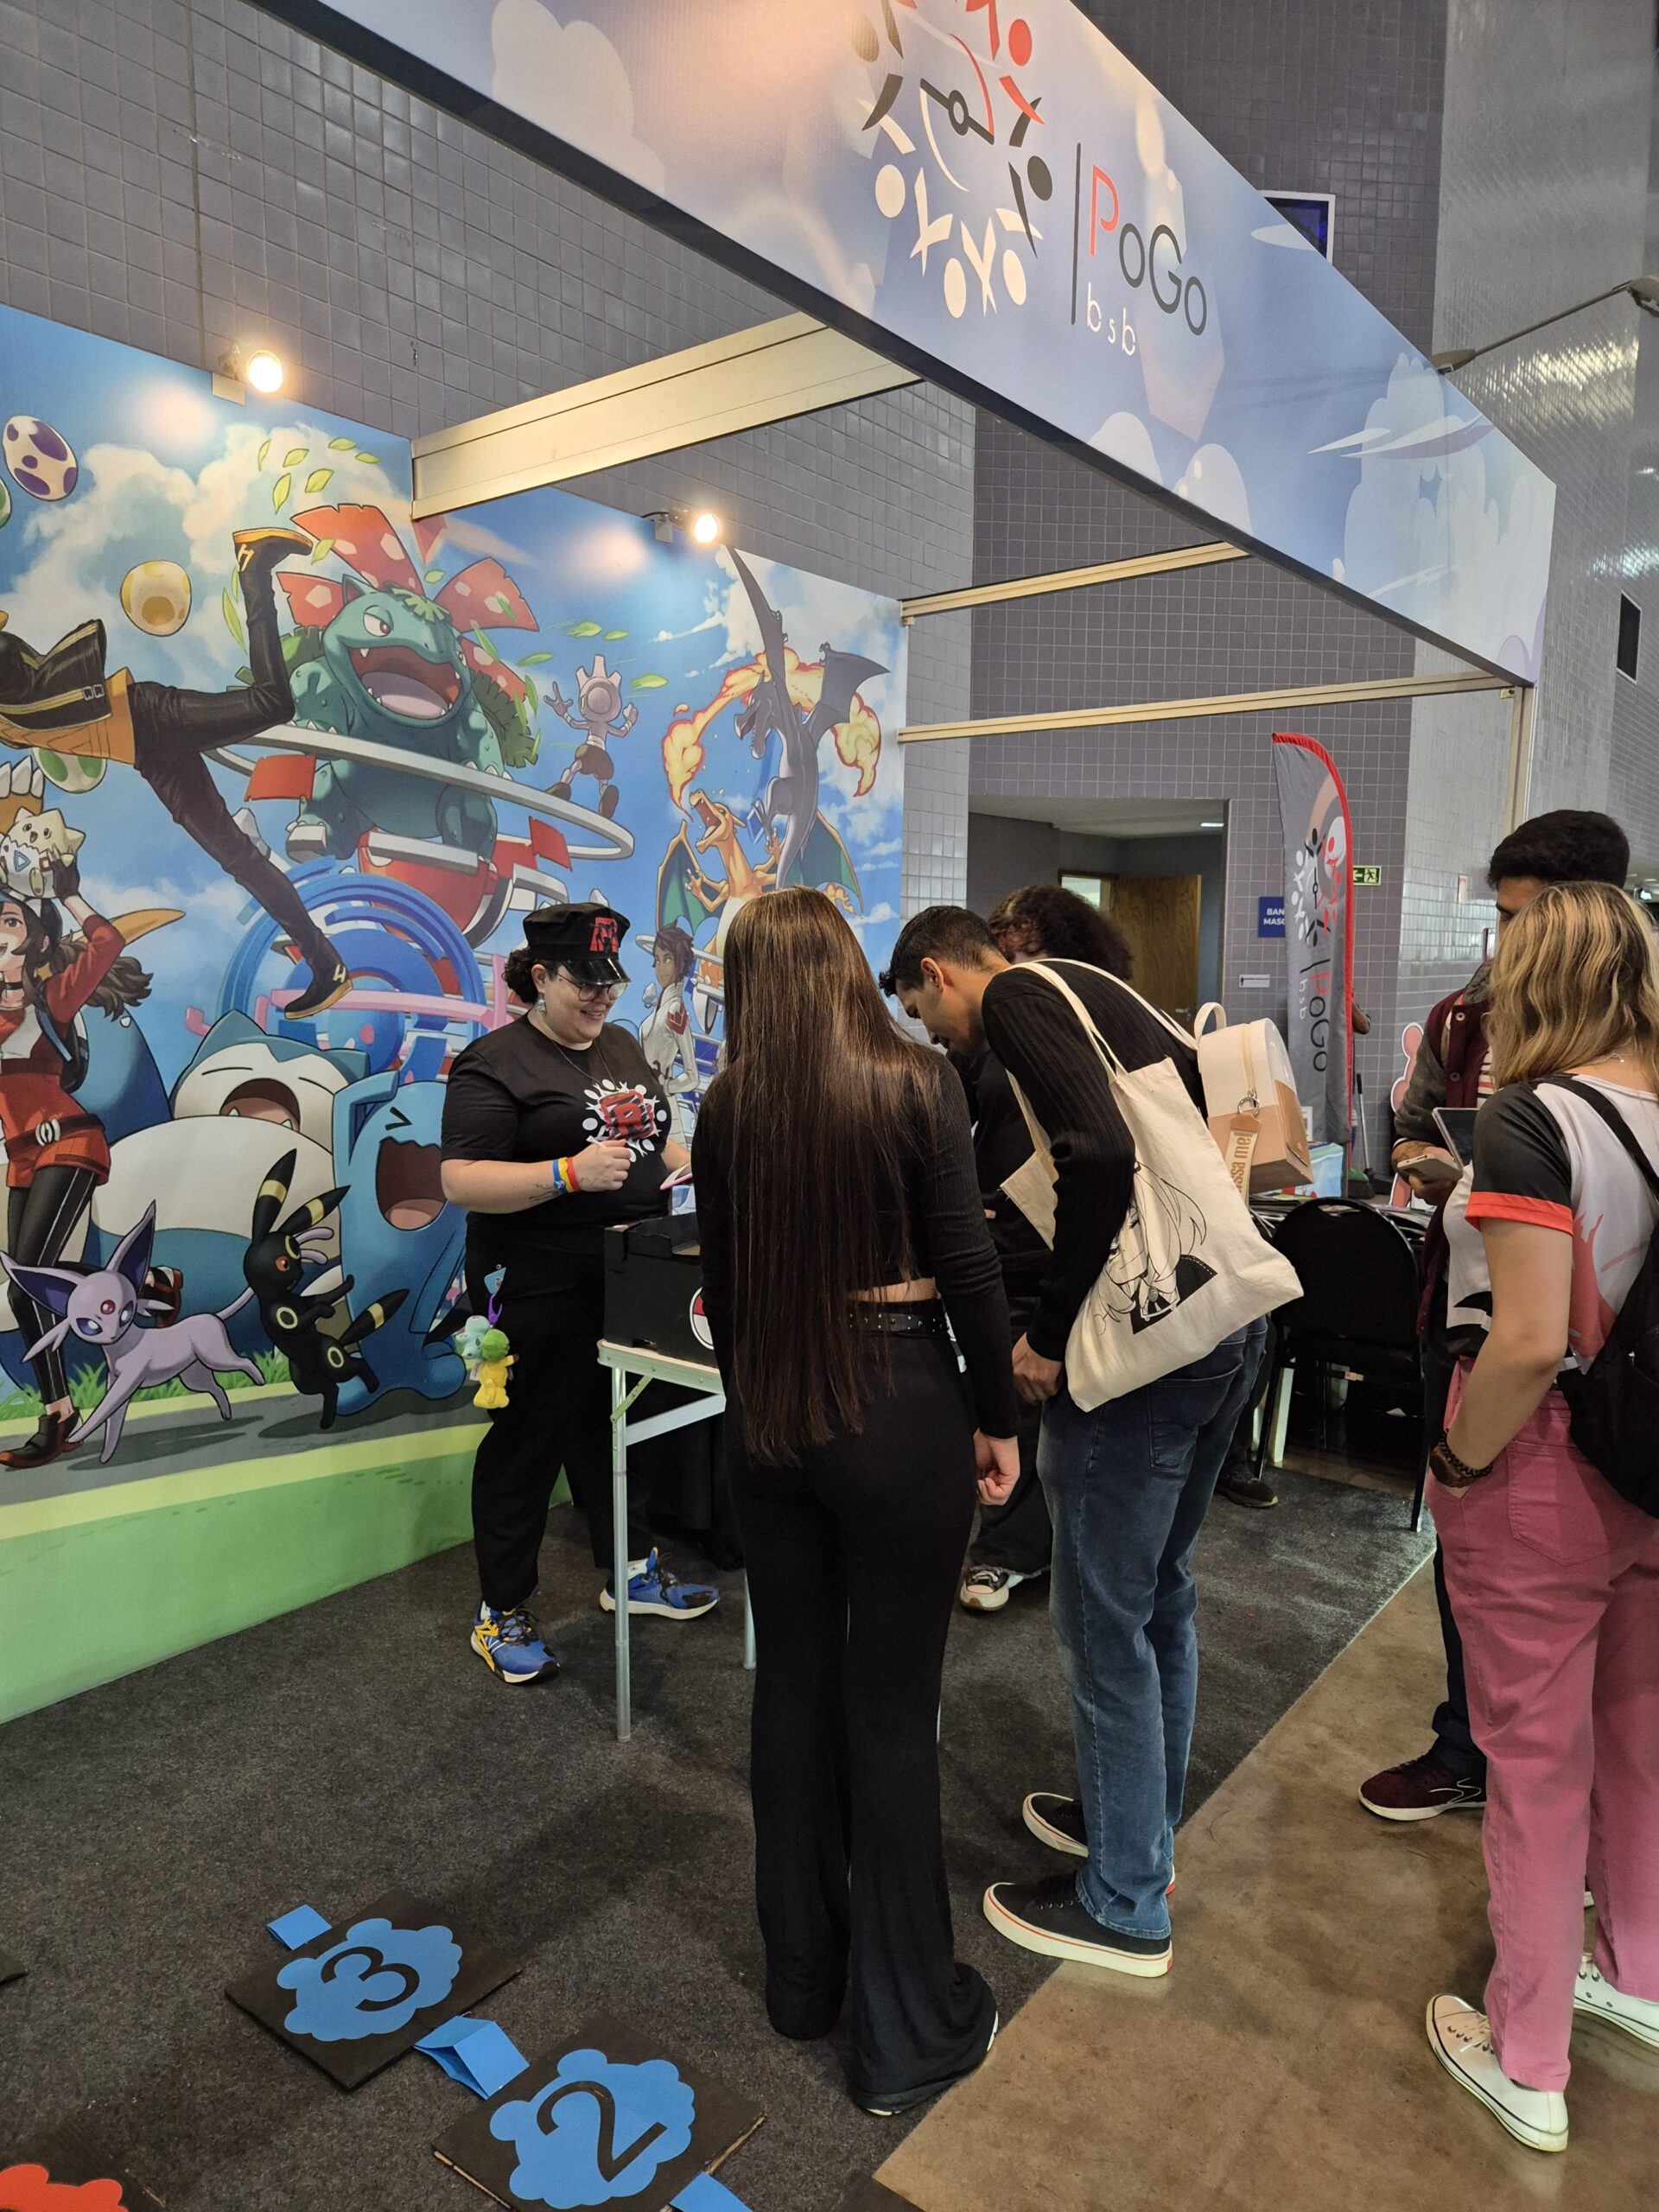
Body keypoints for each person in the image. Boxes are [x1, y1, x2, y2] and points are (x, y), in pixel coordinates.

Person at [887, 906, 1266, 1979]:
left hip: (1145, 1356)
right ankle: (1137, 1823)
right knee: (1159, 1594)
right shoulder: (1105, 993)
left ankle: (1126, 1902)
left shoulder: (1017, 997)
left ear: (938, 974)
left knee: (1103, 1619)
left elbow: (1097, 1156)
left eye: (922, 1014)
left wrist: (1047, 1339)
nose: (934, 1037)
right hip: (1223, 1318)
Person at [692, 888, 1020, 2116]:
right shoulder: (916, 1081)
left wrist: (756, 1415)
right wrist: (998, 1415)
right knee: (891, 1715)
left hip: (772, 1416)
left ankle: (801, 1982)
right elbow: (968, 1263)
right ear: (842, 967)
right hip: (896, 1405)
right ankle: (903, 2035)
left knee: (791, 1689)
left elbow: (725, 1290)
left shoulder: (728, 1107)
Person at [1424, 880, 1659, 2154]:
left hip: (1545, 1463)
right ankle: (1638, 1969)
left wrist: (1457, 1467)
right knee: (1636, 1735)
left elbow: (1523, 1342)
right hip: (1651, 1471)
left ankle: (1527, 2054)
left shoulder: (1532, 1119)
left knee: (1534, 1763)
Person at [1359, 810, 1630, 1820]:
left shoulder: (1634, 1043)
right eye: (1504, 918)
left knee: (1613, 1613)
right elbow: (1407, 1132)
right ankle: (1471, 1746)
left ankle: (1574, 1798)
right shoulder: (1461, 1019)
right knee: (1478, 1572)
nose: (1511, 944)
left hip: (1610, 1353)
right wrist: (1441, 1168)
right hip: (1471, 1323)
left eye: (1529, 919)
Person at [439, 901, 717, 1685]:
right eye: (584, 983)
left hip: (629, 1273)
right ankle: (500, 1611)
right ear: (539, 976)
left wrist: (698, 1162)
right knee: (529, 1440)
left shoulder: (621, 1043)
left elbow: (653, 1138)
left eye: (610, 981)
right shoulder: (495, 1062)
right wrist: (565, 1173)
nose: (602, 996)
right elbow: (459, 1179)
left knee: (621, 1430)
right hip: (535, 1280)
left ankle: (630, 1572)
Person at [0, 529, 348, 1020]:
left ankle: (254, 568)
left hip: (149, 714)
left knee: (273, 702)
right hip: (149, 758)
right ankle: (327, 966)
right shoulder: (9, 720)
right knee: (240, 860)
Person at [0, 861, 154, 1469]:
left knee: (29, 1278)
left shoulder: (52, 1000)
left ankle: (55, 1417)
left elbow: (107, 943)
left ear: (36, 938)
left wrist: (72, 895)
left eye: (10, 920)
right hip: (23, 1158)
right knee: (24, 1286)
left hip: (68, 1143)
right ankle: (145, 1288)